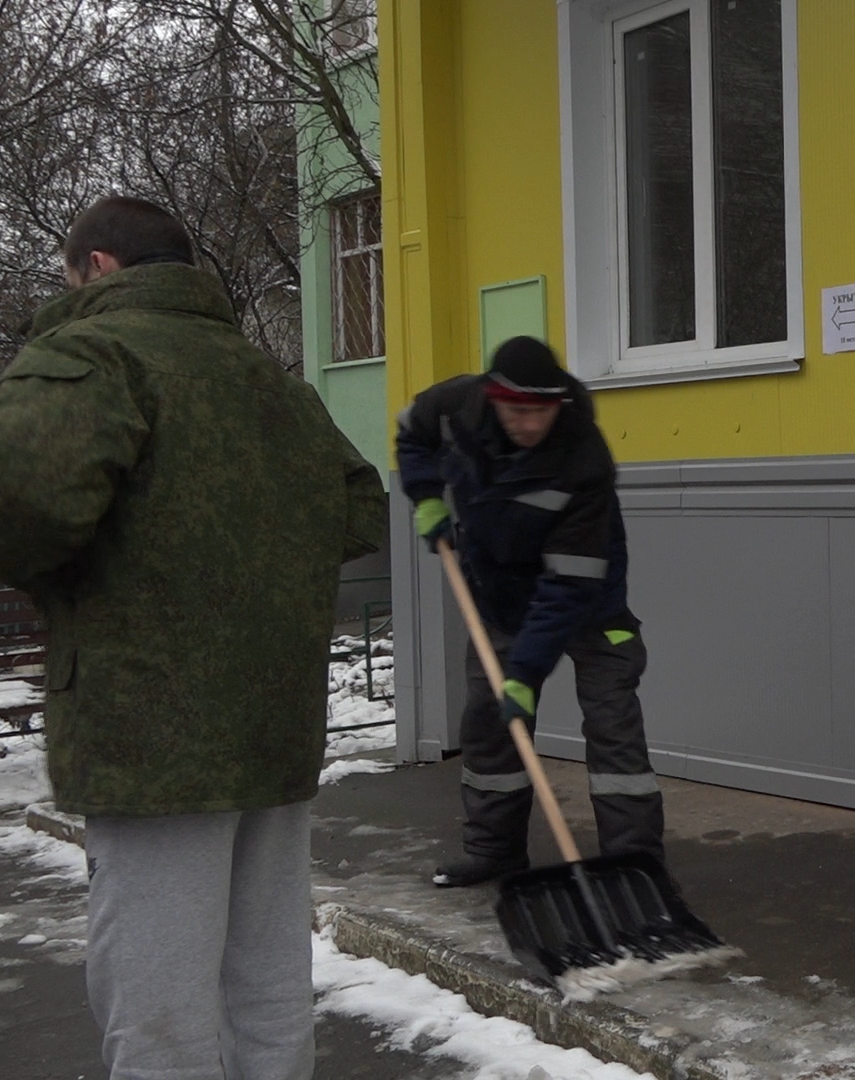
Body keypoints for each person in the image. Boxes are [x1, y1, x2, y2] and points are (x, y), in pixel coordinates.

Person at [0, 196, 387, 1080]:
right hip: (271, 725)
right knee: (268, 978)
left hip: (152, 732)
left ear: (98, 267)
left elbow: (21, 501)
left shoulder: (93, 353)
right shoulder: (264, 377)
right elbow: (359, 507)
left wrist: (78, 585)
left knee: (159, 1000)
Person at [395, 336, 666, 888]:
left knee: (614, 728)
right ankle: (493, 851)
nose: (529, 424)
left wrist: (524, 672)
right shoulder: (454, 407)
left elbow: (567, 583)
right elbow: (411, 434)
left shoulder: (582, 457)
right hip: (498, 596)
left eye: (541, 412)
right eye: (518, 411)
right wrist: (426, 495)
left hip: (590, 600)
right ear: (494, 399)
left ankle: (634, 869)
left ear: (557, 404)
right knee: (489, 727)